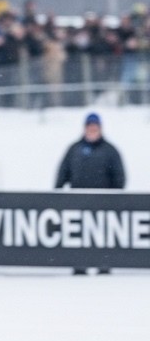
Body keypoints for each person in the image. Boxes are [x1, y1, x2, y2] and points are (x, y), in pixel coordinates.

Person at [55, 112, 126, 275]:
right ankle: (79, 265)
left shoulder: (110, 150)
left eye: (95, 127)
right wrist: (57, 192)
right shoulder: (75, 149)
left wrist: (115, 196)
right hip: (78, 202)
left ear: (100, 129)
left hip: (103, 203)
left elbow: (119, 176)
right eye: (90, 127)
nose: (92, 130)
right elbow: (63, 171)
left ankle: (103, 264)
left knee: (102, 235)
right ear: (85, 129)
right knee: (78, 234)